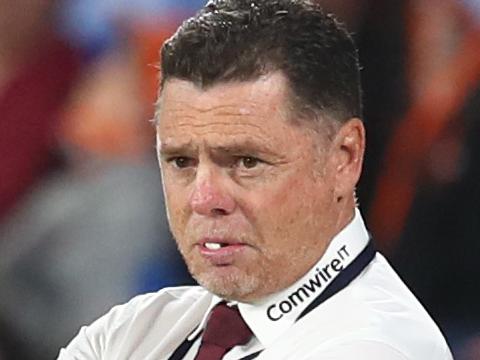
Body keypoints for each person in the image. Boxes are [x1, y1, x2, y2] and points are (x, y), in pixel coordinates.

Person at [57, 0, 453, 359]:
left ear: (344, 158)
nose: (204, 197)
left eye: (246, 161)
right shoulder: (133, 331)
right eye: (181, 161)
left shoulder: (375, 347)